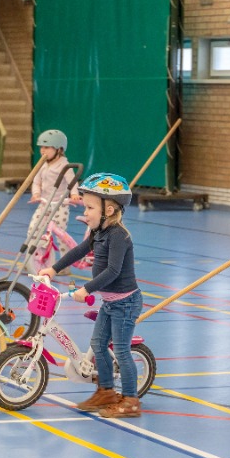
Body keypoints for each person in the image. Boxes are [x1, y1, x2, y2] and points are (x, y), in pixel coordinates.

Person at [38, 172, 142, 418]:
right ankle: (106, 391)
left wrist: (86, 289)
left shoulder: (119, 236)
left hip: (126, 303)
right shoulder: (99, 233)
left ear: (109, 210)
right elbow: (78, 251)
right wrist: (53, 269)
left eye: (90, 207)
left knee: (123, 351)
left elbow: (114, 271)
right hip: (110, 302)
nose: (85, 213)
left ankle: (130, 400)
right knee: (97, 345)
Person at [26, 130, 79, 271]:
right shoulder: (42, 164)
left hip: (59, 206)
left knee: (61, 237)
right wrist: (36, 194)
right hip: (44, 204)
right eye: (41, 147)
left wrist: (74, 194)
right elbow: (36, 182)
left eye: (47, 148)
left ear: (59, 149)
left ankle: (64, 265)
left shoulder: (64, 165)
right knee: (33, 230)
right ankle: (32, 260)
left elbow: (72, 182)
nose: (42, 151)